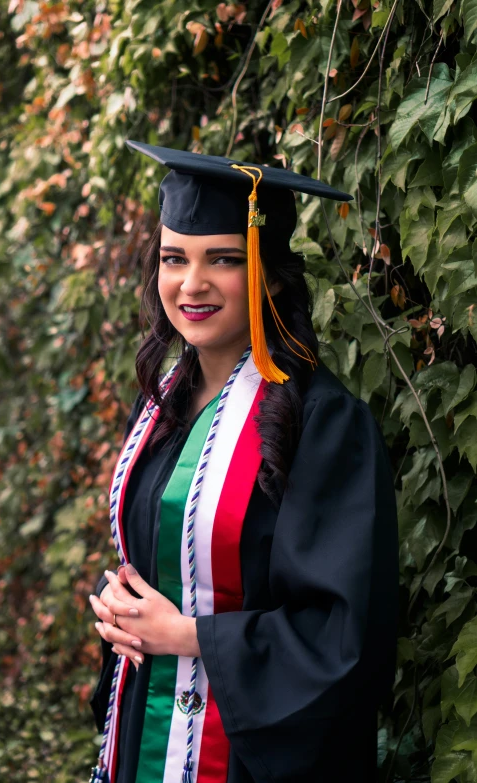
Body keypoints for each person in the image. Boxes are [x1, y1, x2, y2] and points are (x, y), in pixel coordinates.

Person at [87, 140, 399, 783]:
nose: (191, 284)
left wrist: (191, 637)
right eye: (173, 259)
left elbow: (343, 635)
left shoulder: (322, 424)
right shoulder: (162, 407)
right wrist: (118, 603)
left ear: (272, 274)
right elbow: (161, 556)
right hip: (147, 734)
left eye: (222, 260)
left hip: (247, 759)